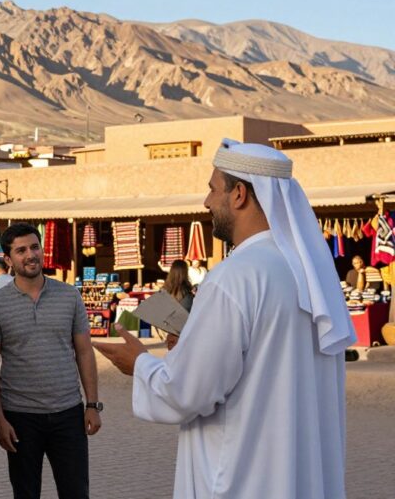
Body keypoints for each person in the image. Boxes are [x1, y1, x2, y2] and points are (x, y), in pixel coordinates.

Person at [93, 139, 355, 499]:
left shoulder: (235, 276)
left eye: (213, 189)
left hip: (243, 477)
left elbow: (188, 391)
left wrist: (139, 363)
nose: (206, 202)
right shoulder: (311, 275)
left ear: (239, 195)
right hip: (301, 476)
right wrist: (190, 347)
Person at [0, 222, 102, 499]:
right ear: (9, 260)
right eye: (21, 250)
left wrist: (92, 405)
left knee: (76, 492)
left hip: (69, 413)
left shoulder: (69, 296)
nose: (30, 255)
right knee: (26, 493)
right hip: (20, 418)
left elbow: (84, 351)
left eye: (34, 247)